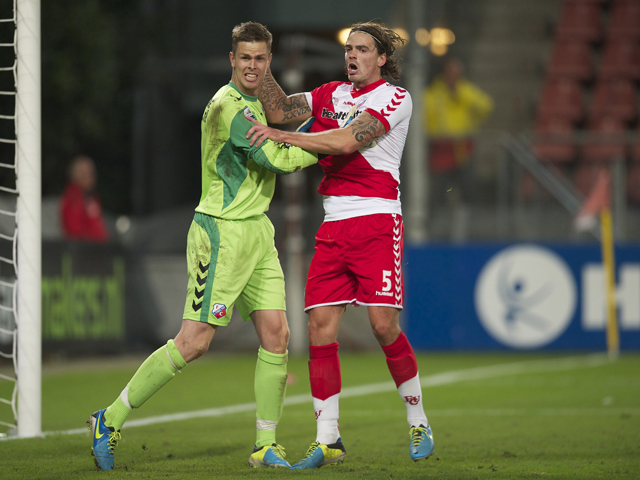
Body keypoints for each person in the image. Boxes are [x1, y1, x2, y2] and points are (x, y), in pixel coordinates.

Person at [86, 21, 318, 471]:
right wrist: (331, 139)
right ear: (233, 60)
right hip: (221, 234)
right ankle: (109, 419)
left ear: (268, 63)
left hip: (256, 231)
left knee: (278, 334)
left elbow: (282, 141)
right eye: (244, 58)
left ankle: (264, 445)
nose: (252, 66)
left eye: (260, 58)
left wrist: (318, 128)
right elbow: (278, 158)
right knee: (193, 342)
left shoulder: (254, 102)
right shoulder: (230, 108)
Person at [248, 21, 434, 469]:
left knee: (383, 326)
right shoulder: (330, 93)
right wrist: (261, 63)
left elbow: (348, 142)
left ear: (382, 57)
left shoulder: (395, 98)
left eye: (363, 49)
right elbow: (277, 109)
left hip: (375, 222)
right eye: (349, 49)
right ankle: (328, 438)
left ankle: (418, 420)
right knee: (318, 329)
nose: (352, 55)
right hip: (333, 226)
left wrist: (286, 136)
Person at [423, 58, 493, 240]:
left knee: (467, 192)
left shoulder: (465, 90)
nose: (454, 77)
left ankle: (465, 232)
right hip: (440, 150)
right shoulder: (433, 94)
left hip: (463, 150)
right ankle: (432, 232)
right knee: (437, 194)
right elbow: (423, 117)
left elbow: (486, 106)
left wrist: (459, 93)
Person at [60, 155, 109, 242]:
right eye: (85, 174)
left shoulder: (91, 198)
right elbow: (75, 233)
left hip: (97, 249)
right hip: (84, 251)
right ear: (76, 176)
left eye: (91, 173)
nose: (90, 177)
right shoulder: (73, 199)